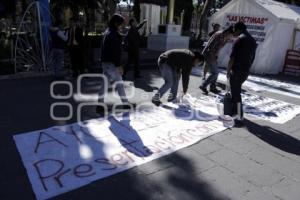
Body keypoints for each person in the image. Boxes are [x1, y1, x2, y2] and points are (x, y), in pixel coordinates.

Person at [98, 14, 135, 113]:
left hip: (105, 62)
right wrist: (119, 66)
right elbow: (115, 52)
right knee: (119, 84)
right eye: (121, 24)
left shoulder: (108, 32)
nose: (122, 26)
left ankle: (100, 105)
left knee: (105, 84)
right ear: (116, 23)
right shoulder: (114, 35)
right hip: (112, 64)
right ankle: (125, 104)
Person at [227, 21, 257, 127]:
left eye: (234, 29)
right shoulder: (252, 40)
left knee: (236, 94)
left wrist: (228, 70)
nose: (233, 31)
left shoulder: (239, 39)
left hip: (237, 70)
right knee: (236, 91)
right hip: (245, 71)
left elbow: (232, 58)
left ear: (239, 29)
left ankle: (239, 117)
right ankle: (233, 112)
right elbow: (253, 57)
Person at [200, 26, 234, 95]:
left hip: (213, 55)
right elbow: (211, 46)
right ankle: (203, 85)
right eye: (231, 35)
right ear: (228, 32)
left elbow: (219, 46)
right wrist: (213, 57)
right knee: (215, 73)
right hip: (209, 54)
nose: (231, 37)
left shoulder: (224, 36)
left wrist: (215, 56)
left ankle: (212, 87)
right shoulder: (219, 35)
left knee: (215, 72)